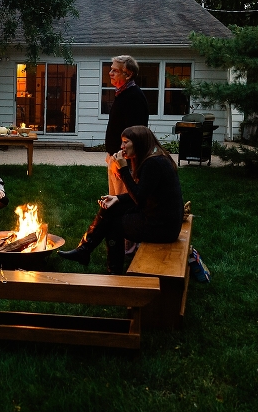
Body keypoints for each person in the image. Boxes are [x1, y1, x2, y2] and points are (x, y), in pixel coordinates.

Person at [58, 126, 184, 274]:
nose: (121, 147)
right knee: (112, 208)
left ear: (139, 143)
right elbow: (144, 193)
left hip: (163, 227)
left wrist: (124, 170)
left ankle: (113, 272)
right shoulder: (154, 158)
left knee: (114, 226)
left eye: (125, 142)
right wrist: (117, 198)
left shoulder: (153, 163)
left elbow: (139, 198)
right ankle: (84, 249)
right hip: (159, 217)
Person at [104, 55, 149, 196]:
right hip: (115, 158)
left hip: (124, 161)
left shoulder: (134, 98)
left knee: (121, 203)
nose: (110, 73)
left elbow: (134, 137)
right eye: (111, 70)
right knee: (112, 201)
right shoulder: (122, 95)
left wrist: (122, 163)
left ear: (128, 74)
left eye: (115, 71)